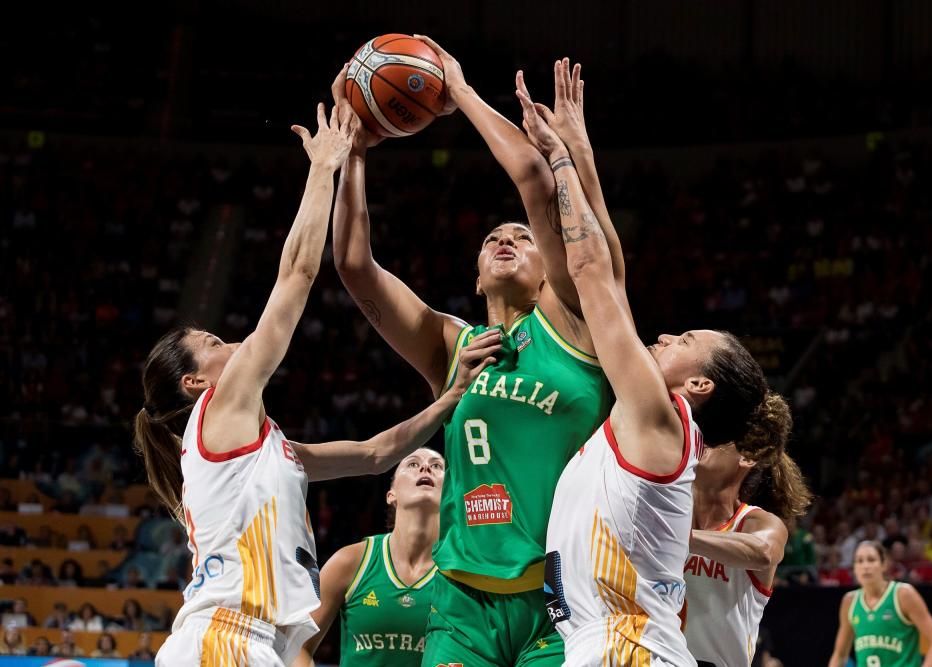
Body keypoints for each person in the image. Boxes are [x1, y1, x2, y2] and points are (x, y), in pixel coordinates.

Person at [136, 100, 498, 666]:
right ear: (193, 382)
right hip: (225, 639)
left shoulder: (259, 447)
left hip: (254, 643)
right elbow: (296, 276)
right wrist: (323, 168)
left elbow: (374, 454)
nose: (230, 343)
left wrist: (451, 398)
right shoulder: (218, 407)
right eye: (213, 345)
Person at [330, 42, 618, 666]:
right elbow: (354, 266)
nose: (505, 239)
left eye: (521, 235)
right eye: (492, 239)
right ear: (478, 276)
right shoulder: (451, 345)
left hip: (561, 597)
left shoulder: (573, 322)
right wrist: (352, 154)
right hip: (461, 601)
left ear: (551, 268)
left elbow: (536, 180)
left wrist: (455, 89)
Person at [517, 62, 788, 666]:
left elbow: (592, 276)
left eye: (686, 337)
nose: (664, 334)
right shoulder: (647, 419)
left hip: (629, 649)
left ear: (698, 384)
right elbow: (609, 272)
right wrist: (582, 154)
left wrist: (559, 161)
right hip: (608, 645)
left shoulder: (659, 419)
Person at [293, 448, 445, 666]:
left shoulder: (458, 571)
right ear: (391, 494)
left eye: (437, 466)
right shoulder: (351, 561)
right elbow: (297, 645)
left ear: (450, 494)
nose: (425, 467)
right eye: (412, 463)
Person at [682, 415, 811, 666]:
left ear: (747, 457)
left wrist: (678, 537)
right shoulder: (670, 510)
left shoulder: (758, 523)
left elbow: (763, 552)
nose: (702, 442)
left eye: (715, 440)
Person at [827, 541, 932, 667]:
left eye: (871, 560)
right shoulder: (849, 601)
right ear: (854, 568)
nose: (865, 566)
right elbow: (840, 655)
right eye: (859, 561)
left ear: (884, 564)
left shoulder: (903, 595)